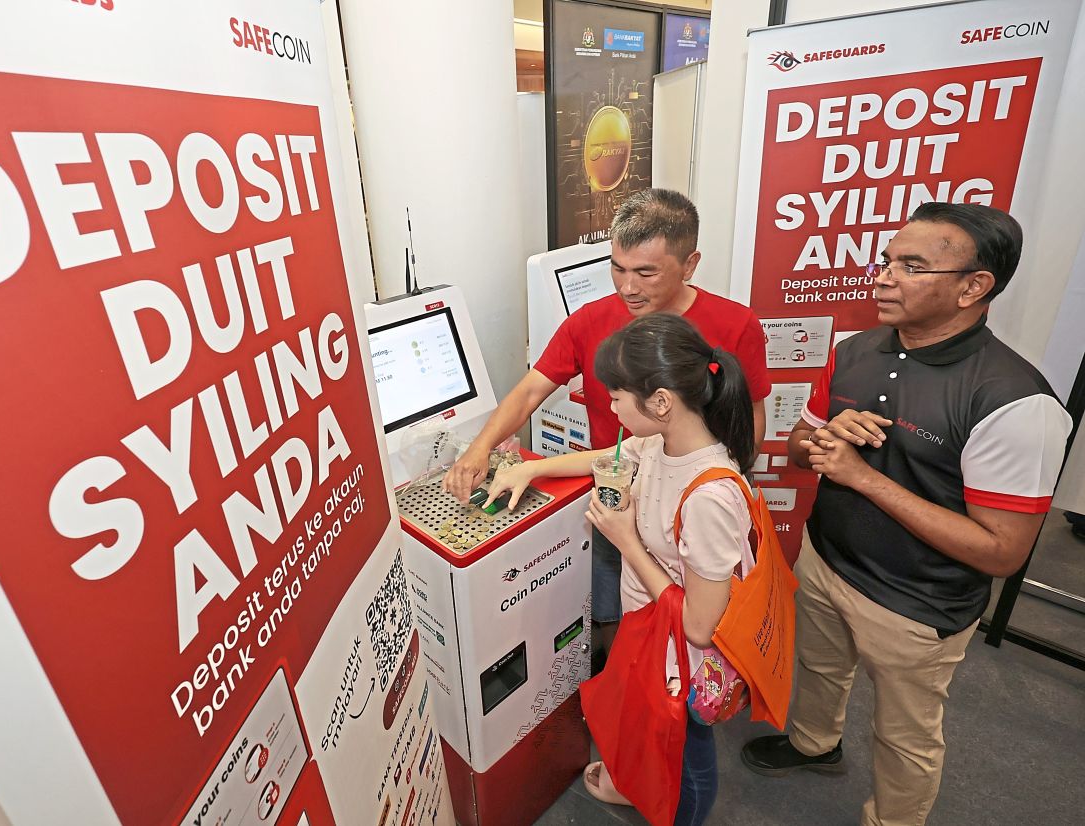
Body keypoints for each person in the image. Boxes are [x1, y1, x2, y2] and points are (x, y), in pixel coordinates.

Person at [741, 203, 1072, 826]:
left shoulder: (1017, 402)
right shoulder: (854, 348)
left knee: (904, 735)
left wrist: (862, 477)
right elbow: (795, 450)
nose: (884, 277)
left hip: (917, 604)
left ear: (975, 286)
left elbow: (1002, 552)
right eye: (887, 260)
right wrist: (825, 438)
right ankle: (814, 745)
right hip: (827, 561)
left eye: (912, 266)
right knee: (817, 667)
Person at [444, 188, 771, 670]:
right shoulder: (591, 321)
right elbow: (531, 391)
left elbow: (750, 429)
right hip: (618, 490)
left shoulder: (734, 324)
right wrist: (480, 449)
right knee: (616, 603)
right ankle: (627, 677)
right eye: (617, 267)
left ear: (690, 264)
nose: (627, 287)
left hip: (684, 508)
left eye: (645, 272)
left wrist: (700, 482)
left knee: (685, 642)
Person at [484, 313, 757, 825]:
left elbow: (700, 626)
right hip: (649, 633)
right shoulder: (659, 443)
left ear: (659, 402)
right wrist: (531, 466)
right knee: (650, 729)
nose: (604, 404)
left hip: (684, 658)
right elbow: (602, 459)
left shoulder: (710, 496)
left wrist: (625, 540)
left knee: (687, 751)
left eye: (614, 395)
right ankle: (638, 788)